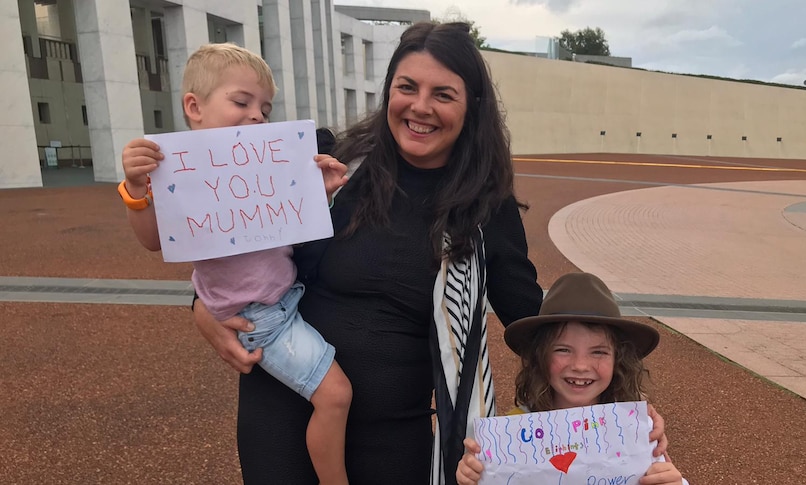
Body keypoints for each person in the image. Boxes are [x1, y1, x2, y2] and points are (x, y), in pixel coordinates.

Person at [191, 23, 667, 485]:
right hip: (282, 410)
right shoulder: (336, 169)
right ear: (389, 91)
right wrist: (201, 310)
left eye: (443, 94)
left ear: (471, 107)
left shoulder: (486, 205)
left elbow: (532, 315)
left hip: (397, 432)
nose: (421, 107)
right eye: (408, 87)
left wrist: (621, 408)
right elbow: (230, 239)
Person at [118, 43, 351, 485]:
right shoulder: (168, 168)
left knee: (334, 392)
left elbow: (290, 233)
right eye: (241, 102)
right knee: (336, 396)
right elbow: (152, 240)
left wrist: (315, 197)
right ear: (194, 106)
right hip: (261, 317)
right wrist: (134, 189)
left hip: (283, 298)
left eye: (265, 107)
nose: (258, 116)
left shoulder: (263, 165)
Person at [456, 272, 687, 485]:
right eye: (563, 350)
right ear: (540, 357)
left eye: (598, 352)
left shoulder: (635, 430)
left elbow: (661, 473)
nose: (580, 365)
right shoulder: (511, 438)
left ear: (618, 360)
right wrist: (474, 475)